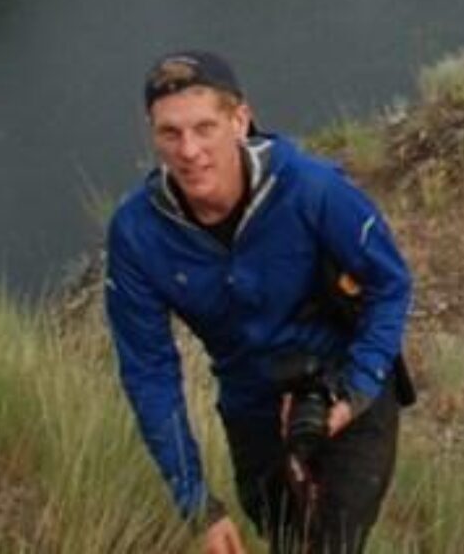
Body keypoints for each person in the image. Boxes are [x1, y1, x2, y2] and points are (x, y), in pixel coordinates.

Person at [106, 50, 413, 554]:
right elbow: (149, 372)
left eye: (205, 127)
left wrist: (358, 385)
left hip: (343, 383)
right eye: (170, 133)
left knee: (335, 542)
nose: (189, 150)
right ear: (152, 133)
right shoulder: (137, 233)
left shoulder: (313, 189)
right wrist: (196, 503)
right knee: (284, 539)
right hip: (251, 402)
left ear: (239, 119)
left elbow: (391, 284)